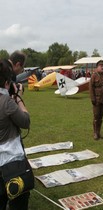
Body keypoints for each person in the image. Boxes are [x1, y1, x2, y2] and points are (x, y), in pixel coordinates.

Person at [0, 59, 33, 210]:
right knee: (19, 198)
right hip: (10, 161)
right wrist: (18, 98)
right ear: (7, 82)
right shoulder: (6, 102)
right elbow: (25, 121)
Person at [89, 60, 103, 140]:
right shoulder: (94, 76)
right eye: (101, 66)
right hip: (96, 99)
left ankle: (99, 132)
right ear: (97, 67)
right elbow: (91, 88)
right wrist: (92, 98)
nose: (102, 67)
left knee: (101, 116)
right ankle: (95, 133)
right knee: (96, 116)